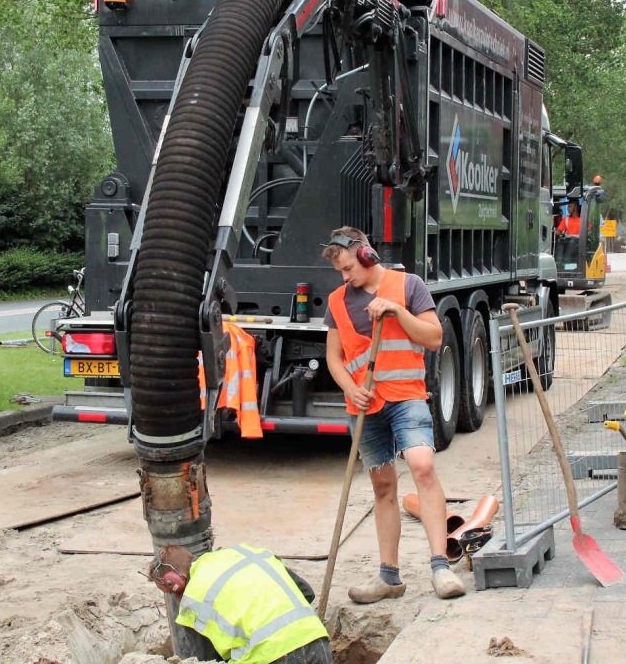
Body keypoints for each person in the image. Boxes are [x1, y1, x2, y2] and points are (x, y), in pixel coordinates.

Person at [320, 226, 467, 603]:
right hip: (364, 406)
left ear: (367, 256)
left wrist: (398, 311)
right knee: (383, 487)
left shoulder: (409, 286)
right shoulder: (338, 300)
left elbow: (433, 337)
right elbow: (334, 357)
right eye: (340, 271)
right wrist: (350, 388)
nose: (346, 276)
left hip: (406, 397)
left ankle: (440, 568)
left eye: (350, 267)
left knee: (422, 466)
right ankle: (389, 578)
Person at [150, 543, 333, 664]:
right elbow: (307, 592)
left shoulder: (193, 600)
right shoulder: (247, 553)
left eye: (170, 593)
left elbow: (206, 660)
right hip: (317, 641)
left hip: (270, 657)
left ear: (174, 583)